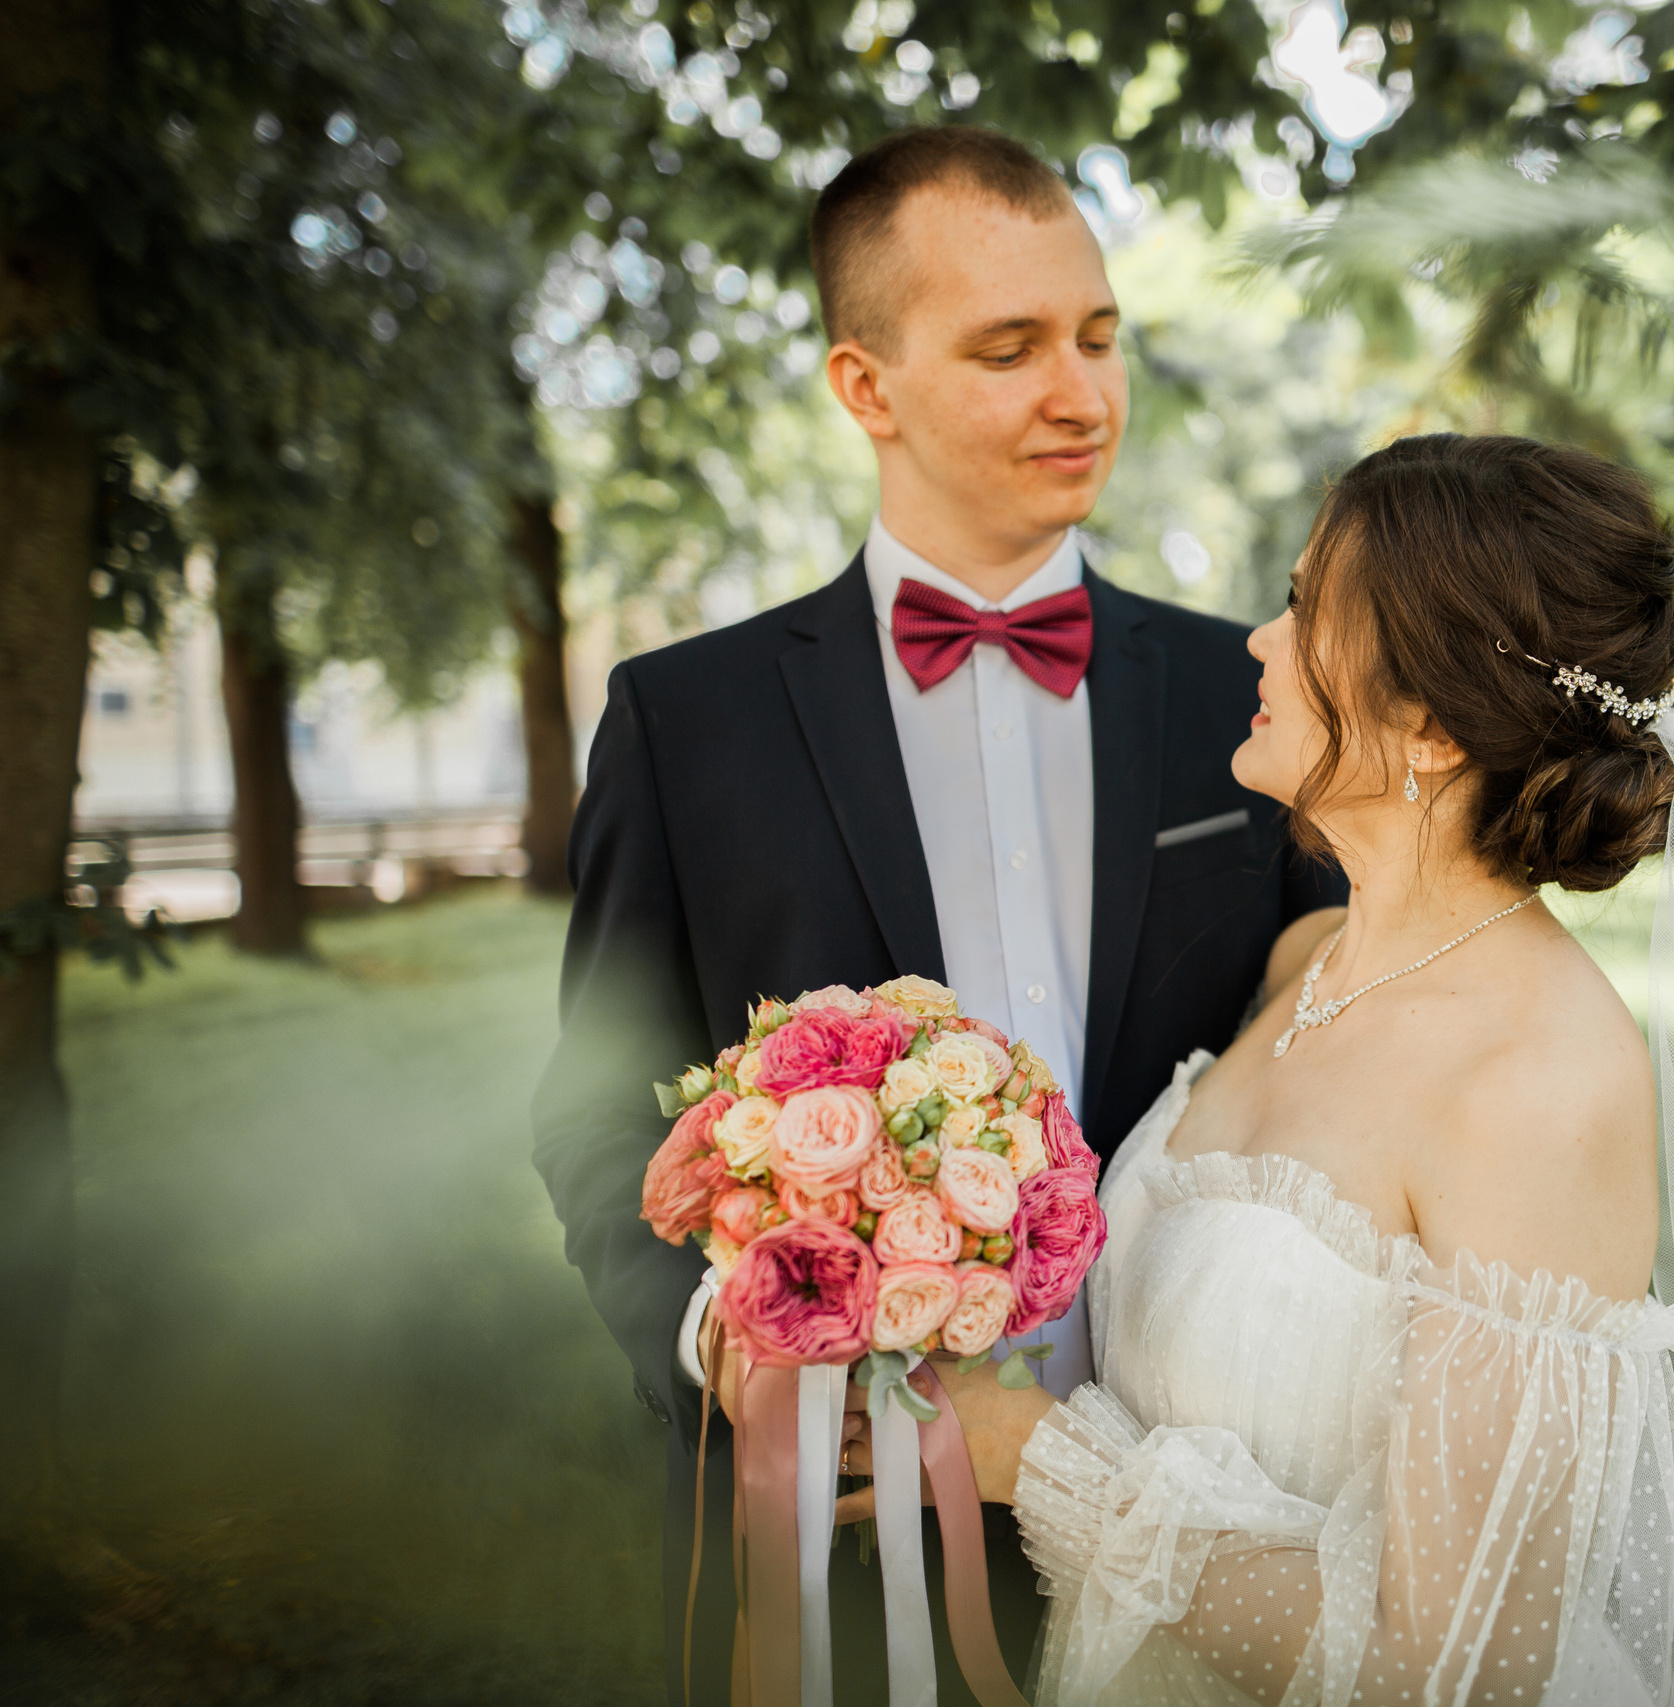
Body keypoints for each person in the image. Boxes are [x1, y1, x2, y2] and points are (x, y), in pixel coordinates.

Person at [881, 435, 1674, 1705]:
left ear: (1430, 722)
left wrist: (1033, 1460)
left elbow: (1458, 1667)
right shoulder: (1304, 961)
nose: (1259, 642)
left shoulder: (1540, 1082)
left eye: (1305, 608)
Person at [530, 126, 1342, 1706]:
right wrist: (729, 1347)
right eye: (1009, 348)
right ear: (866, 385)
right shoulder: (684, 719)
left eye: (1099, 336)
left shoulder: (1249, 696)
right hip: (839, 1542)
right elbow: (593, 1108)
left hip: (1196, 1499)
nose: (1082, 393)